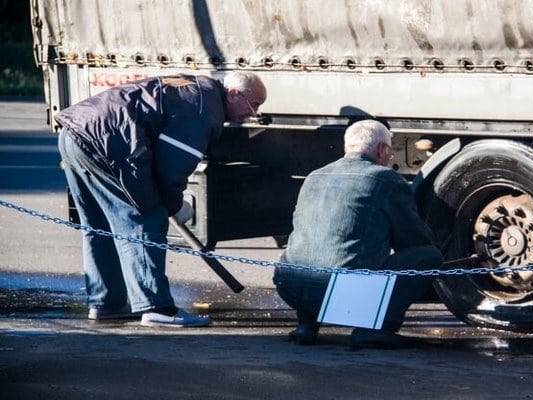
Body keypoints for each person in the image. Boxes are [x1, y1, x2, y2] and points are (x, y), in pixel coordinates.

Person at [56, 71, 267, 327]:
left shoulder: (197, 89)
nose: (254, 113)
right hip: (107, 143)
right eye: (253, 104)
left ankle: (106, 303)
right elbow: (171, 169)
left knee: (99, 227)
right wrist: (174, 206)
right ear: (233, 94)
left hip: (76, 133)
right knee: (146, 219)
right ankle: (157, 308)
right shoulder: (204, 111)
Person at [273, 119, 443, 347]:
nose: (389, 157)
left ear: (346, 148)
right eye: (389, 151)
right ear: (382, 149)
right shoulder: (386, 180)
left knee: (319, 248)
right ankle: (375, 329)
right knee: (428, 256)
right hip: (341, 294)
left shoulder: (314, 176)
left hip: (290, 287)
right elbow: (412, 240)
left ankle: (307, 326)